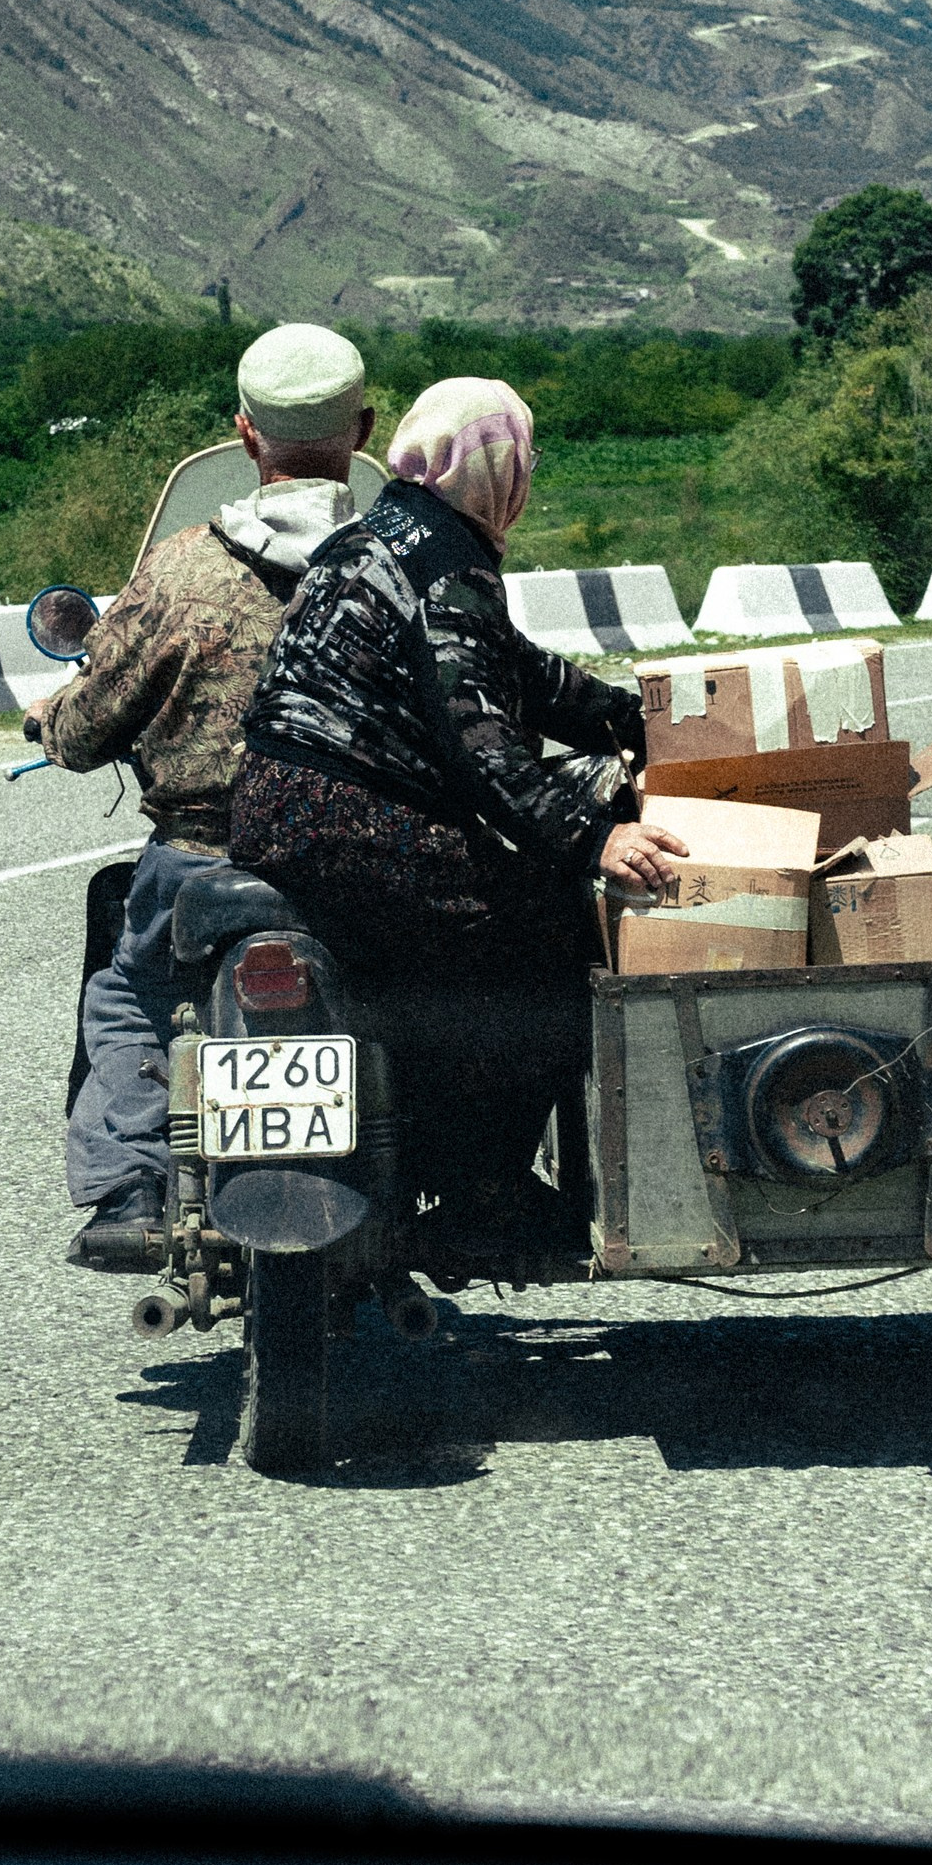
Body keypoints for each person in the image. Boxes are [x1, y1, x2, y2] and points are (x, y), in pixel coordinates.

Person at [228, 374, 685, 1254]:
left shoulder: (377, 535)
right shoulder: (448, 563)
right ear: (493, 469)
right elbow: (481, 742)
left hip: (276, 808)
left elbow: (515, 671)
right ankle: (483, 1187)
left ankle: (423, 1130)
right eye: (522, 459)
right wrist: (598, 836)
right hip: (355, 819)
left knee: (453, 939)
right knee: (551, 937)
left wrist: (642, 720)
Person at [35, 321, 380, 1267]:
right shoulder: (405, 560)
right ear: (363, 427)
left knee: (128, 996)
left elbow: (84, 724)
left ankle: (133, 1185)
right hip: (370, 856)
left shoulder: (181, 568)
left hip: (199, 859)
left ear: (244, 434)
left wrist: (52, 721)